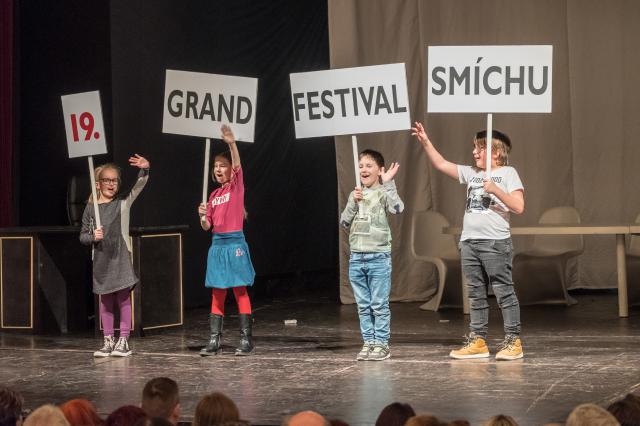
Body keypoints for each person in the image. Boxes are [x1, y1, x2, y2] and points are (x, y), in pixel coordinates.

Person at [412, 122, 524, 360]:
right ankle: (478, 341)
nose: (474, 152)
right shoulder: (472, 173)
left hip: (495, 242)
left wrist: (495, 190)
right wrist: (426, 142)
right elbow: (442, 164)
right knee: (475, 294)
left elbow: (519, 206)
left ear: (496, 151)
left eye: (480, 148)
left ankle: (513, 341)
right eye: (474, 147)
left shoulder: (508, 173)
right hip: (469, 242)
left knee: (503, 292)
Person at [80, 154, 150, 357]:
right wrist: (93, 236)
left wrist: (144, 170)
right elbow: (82, 236)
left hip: (120, 257)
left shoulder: (122, 203)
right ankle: (108, 339)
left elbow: (138, 187)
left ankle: (123, 341)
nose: (111, 184)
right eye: (107, 180)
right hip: (101, 260)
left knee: (122, 298)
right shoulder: (90, 208)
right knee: (105, 301)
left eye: (114, 180)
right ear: (98, 184)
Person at [197, 125, 256, 356]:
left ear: (231, 169)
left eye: (223, 165)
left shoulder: (236, 187)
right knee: (217, 292)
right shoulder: (212, 196)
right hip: (217, 245)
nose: (219, 169)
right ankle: (214, 340)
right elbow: (207, 226)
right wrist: (202, 215)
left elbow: (239, 164)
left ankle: (245, 340)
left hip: (235, 244)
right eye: (216, 166)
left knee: (239, 290)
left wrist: (231, 143)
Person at [340, 149, 403, 361]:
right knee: (363, 305)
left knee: (378, 304)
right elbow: (344, 222)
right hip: (357, 257)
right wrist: (353, 203)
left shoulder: (383, 192)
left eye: (369, 165)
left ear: (380, 170)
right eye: (361, 166)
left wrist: (389, 183)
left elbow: (397, 208)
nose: (364, 169)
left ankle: (382, 344)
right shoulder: (355, 194)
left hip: (378, 257)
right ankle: (368, 342)